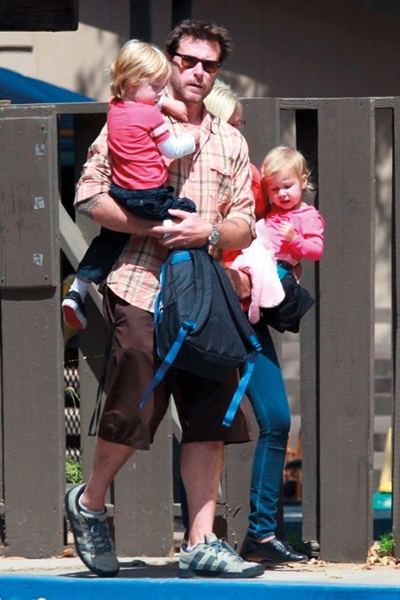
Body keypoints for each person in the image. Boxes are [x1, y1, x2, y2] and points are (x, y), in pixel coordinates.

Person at [64, 19, 265, 580]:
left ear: (217, 72)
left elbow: (245, 222)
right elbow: (89, 196)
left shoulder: (230, 140)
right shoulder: (131, 115)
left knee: (209, 410)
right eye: (188, 60)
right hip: (140, 281)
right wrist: (152, 227)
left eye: (209, 64)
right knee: (136, 402)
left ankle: (200, 542)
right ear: (170, 61)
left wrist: (208, 231)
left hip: (204, 291)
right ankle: (90, 503)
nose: (198, 72)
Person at [204, 81, 310, 565]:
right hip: (204, 310)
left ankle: (261, 535)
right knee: (203, 423)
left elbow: (273, 229)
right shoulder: (197, 174)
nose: (240, 132)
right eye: (234, 123)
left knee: (275, 420)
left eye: (241, 125)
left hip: (243, 313)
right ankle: (202, 538)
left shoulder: (247, 175)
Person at [61, 39, 200, 330]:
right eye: (157, 87)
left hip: (121, 193)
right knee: (187, 214)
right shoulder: (150, 114)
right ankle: (185, 289)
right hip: (151, 196)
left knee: (110, 239)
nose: (161, 92)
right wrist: (193, 139)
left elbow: (143, 99)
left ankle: (78, 290)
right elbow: (172, 149)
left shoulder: (115, 108)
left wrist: (165, 101)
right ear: (134, 82)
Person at [233, 146, 325, 332]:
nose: (281, 193)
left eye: (287, 186)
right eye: (274, 189)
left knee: (254, 288)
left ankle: (252, 314)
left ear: (303, 181)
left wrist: (295, 239)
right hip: (259, 255)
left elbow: (316, 250)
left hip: (278, 267)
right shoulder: (274, 207)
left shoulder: (308, 216)